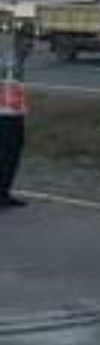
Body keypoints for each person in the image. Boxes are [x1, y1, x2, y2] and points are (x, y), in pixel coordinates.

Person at [0, 25, 28, 209]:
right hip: (5, 114)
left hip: (15, 113)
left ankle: (4, 192)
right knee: (6, 155)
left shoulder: (17, 59)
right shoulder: (10, 60)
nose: (30, 48)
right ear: (18, 42)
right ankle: (1, 194)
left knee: (14, 153)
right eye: (27, 43)